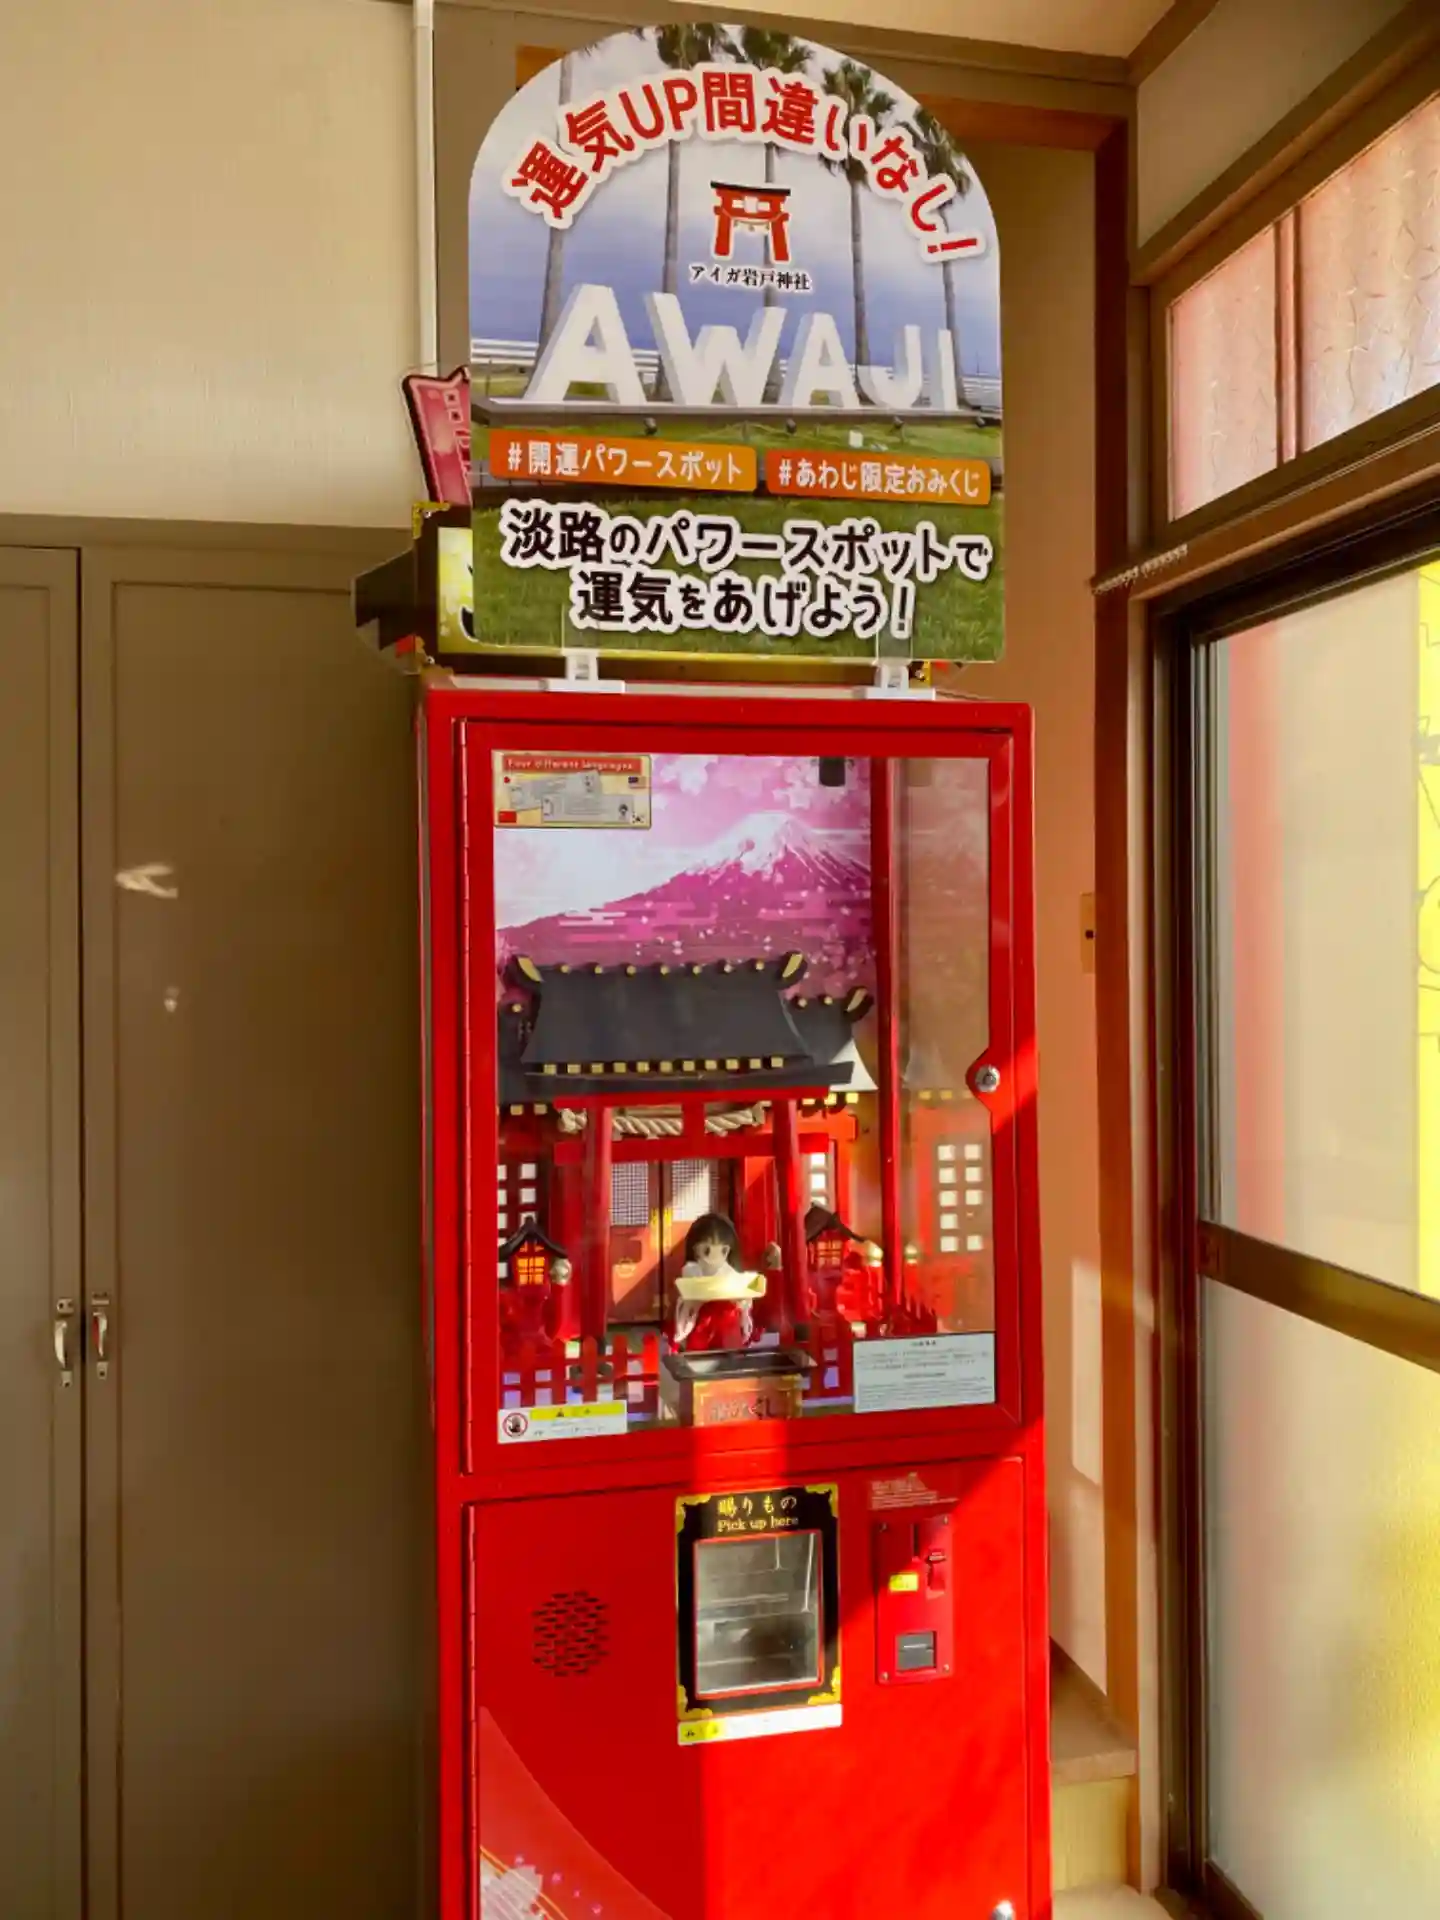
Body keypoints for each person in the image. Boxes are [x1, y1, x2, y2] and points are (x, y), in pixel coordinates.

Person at [671, 1213, 765, 1353]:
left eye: (723, 1250)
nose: (715, 1256)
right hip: (702, 1322)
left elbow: (747, 1289)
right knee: (699, 1357)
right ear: (695, 1249)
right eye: (707, 1250)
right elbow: (688, 1298)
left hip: (728, 1323)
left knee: (730, 1354)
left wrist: (741, 1299)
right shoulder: (692, 1270)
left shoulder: (730, 1273)